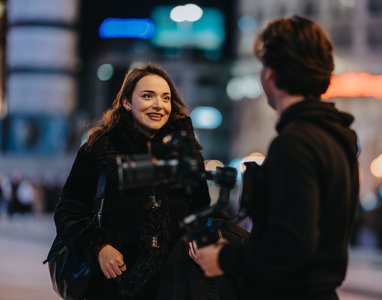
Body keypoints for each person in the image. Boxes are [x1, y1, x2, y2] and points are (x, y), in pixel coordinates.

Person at [195, 15, 360, 299]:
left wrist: (223, 259)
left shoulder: (295, 143)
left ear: (270, 74)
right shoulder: (337, 136)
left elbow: (291, 246)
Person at [54, 64, 212, 299]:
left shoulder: (186, 155)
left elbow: (202, 211)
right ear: (127, 102)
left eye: (166, 98)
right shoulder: (99, 148)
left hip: (173, 286)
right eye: (148, 96)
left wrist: (203, 237)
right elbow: (68, 209)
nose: (159, 105)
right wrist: (98, 248)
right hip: (111, 284)